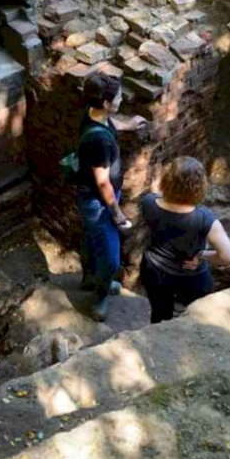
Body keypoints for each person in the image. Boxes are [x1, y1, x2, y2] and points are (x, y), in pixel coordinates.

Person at [75, 73, 145, 322]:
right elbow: (102, 180)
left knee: (92, 238)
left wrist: (128, 124)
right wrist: (116, 213)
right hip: (99, 202)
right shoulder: (99, 142)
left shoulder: (93, 115)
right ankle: (101, 295)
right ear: (105, 103)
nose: (122, 98)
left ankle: (89, 278)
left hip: (92, 198)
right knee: (112, 257)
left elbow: (109, 122)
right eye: (117, 97)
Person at [140, 156, 230, 324]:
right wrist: (201, 255)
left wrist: (161, 184)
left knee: (160, 314)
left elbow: (157, 194)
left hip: (155, 269)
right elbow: (229, 257)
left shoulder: (148, 203)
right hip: (191, 274)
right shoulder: (204, 218)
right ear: (200, 186)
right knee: (201, 312)